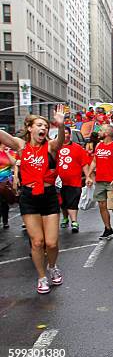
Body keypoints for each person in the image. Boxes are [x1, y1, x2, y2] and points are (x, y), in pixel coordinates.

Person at [0, 106, 66, 294]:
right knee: (37, 242)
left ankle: (52, 267)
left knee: (51, 243)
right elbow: (2, 135)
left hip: (49, 196)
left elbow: (60, 141)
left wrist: (60, 126)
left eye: (45, 126)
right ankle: (41, 277)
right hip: (29, 197)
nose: (43, 129)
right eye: (39, 125)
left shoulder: (51, 146)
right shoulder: (21, 146)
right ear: (30, 128)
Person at [86, 124, 113, 239]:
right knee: (102, 205)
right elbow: (94, 161)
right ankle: (107, 228)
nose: (98, 132)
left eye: (101, 130)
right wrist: (88, 175)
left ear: (107, 133)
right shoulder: (98, 145)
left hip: (112, 181)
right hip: (100, 181)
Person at [57, 127, 90, 233]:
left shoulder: (78, 148)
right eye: (62, 133)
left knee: (73, 201)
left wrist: (88, 176)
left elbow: (84, 163)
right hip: (58, 182)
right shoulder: (54, 147)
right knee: (63, 202)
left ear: (69, 135)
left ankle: (74, 221)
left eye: (66, 133)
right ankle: (65, 218)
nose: (64, 135)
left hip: (74, 181)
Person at [0, 143, 17, 229]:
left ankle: (5, 221)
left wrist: (6, 153)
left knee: (4, 202)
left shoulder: (10, 152)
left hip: (6, 181)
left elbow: (14, 164)